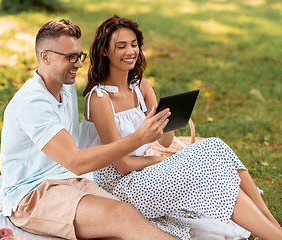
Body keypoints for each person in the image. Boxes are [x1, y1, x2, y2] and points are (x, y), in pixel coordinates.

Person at [78, 15, 282, 240]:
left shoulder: (141, 87)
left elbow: (164, 142)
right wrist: (156, 161)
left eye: (134, 45)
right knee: (209, 165)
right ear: (104, 51)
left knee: (215, 146)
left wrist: (168, 119)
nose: (130, 52)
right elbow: (123, 164)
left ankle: (273, 228)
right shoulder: (99, 99)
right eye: (121, 46)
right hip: (118, 189)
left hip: (144, 175)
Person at [0, 19, 178, 240]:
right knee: (121, 216)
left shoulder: (65, 85)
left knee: (134, 218)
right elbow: (75, 161)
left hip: (71, 181)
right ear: (45, 56)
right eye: (70, 57)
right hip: (32, 195)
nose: (78, 64)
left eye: (79, 56)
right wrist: (139, 137)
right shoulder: (32, 104)